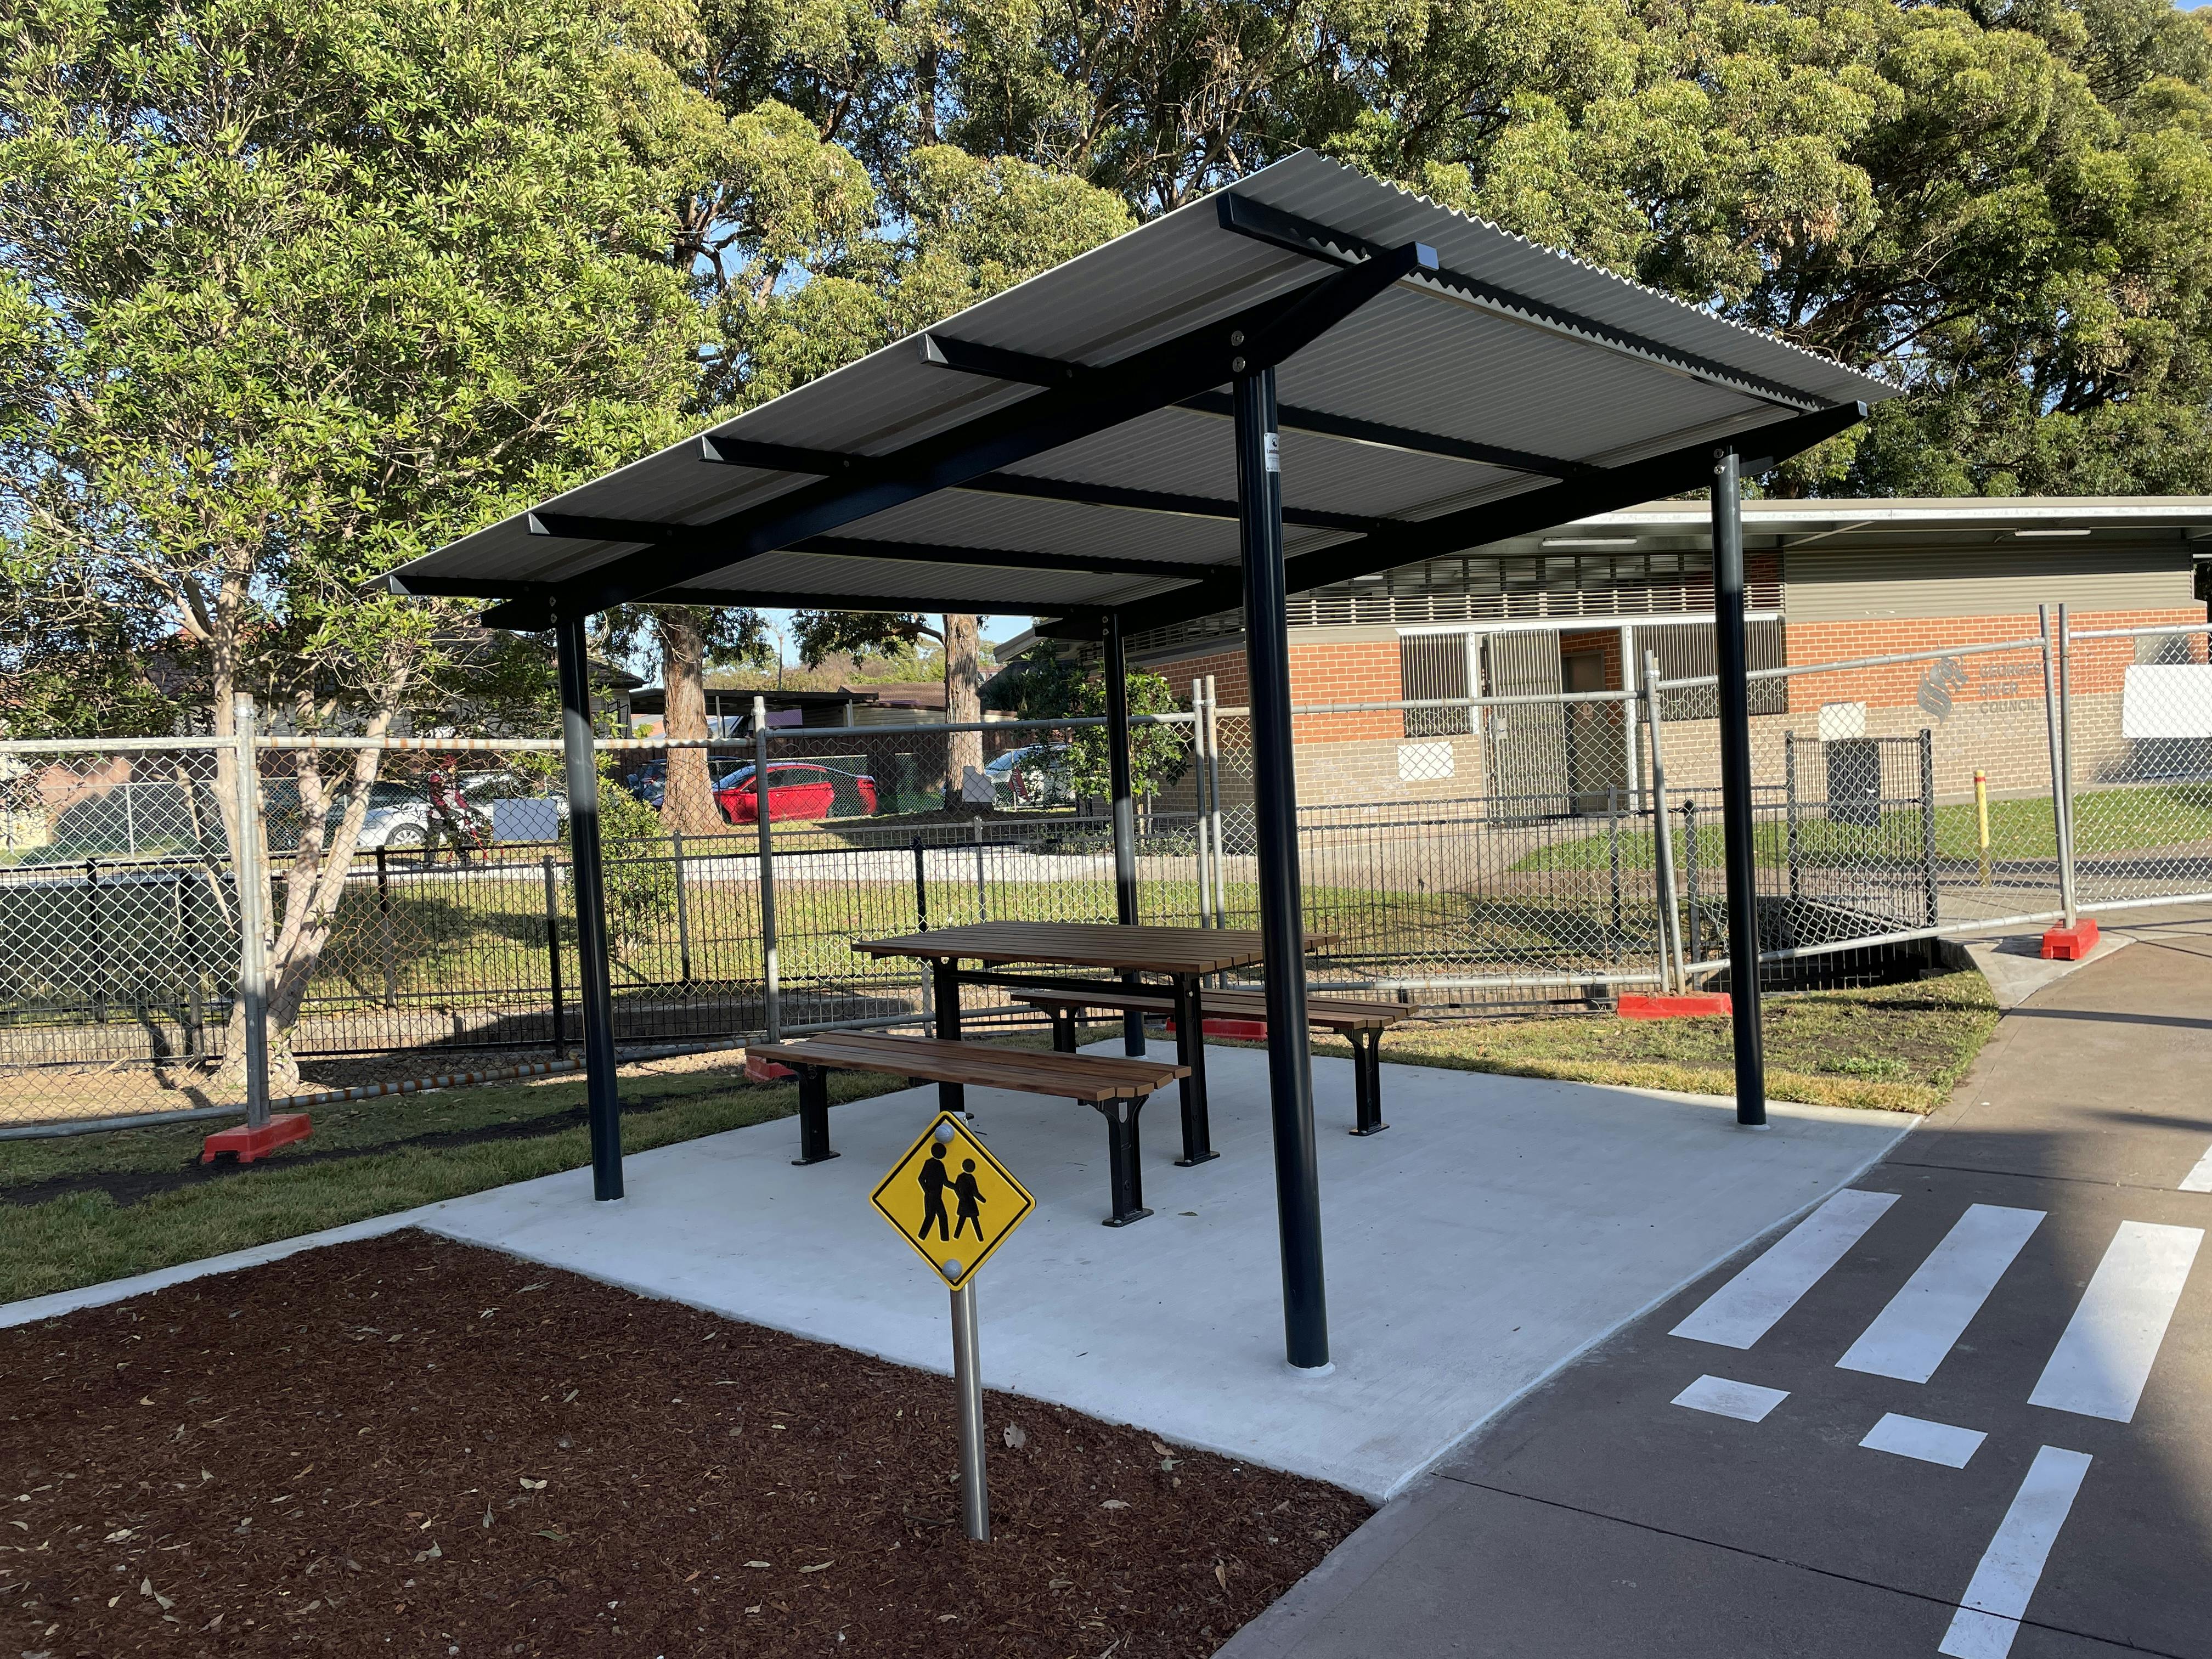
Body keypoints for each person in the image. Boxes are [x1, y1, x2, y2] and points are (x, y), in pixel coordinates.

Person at [916, 1142, 952, 1242]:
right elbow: (921, 1179)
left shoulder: (940, 1165)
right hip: (931, 1196)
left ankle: (945, 1240)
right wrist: (927, 1192)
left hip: (937, 1197)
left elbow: (945, 1182)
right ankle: (921, 1238)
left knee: (943, 1216)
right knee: (930, 1217)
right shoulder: (929, 1163)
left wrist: (956, 1187)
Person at [952, 1157, 987, 1242]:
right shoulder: (970, 1178)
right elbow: (975, 1192)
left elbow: (956, 1188)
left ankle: (957, 1237)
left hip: (964, 1202)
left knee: (963, 1220)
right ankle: (980, 1238)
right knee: (973, 1221)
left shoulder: (961, 1177)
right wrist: (983, 1200)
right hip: (970, 1203)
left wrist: (960, 1197)